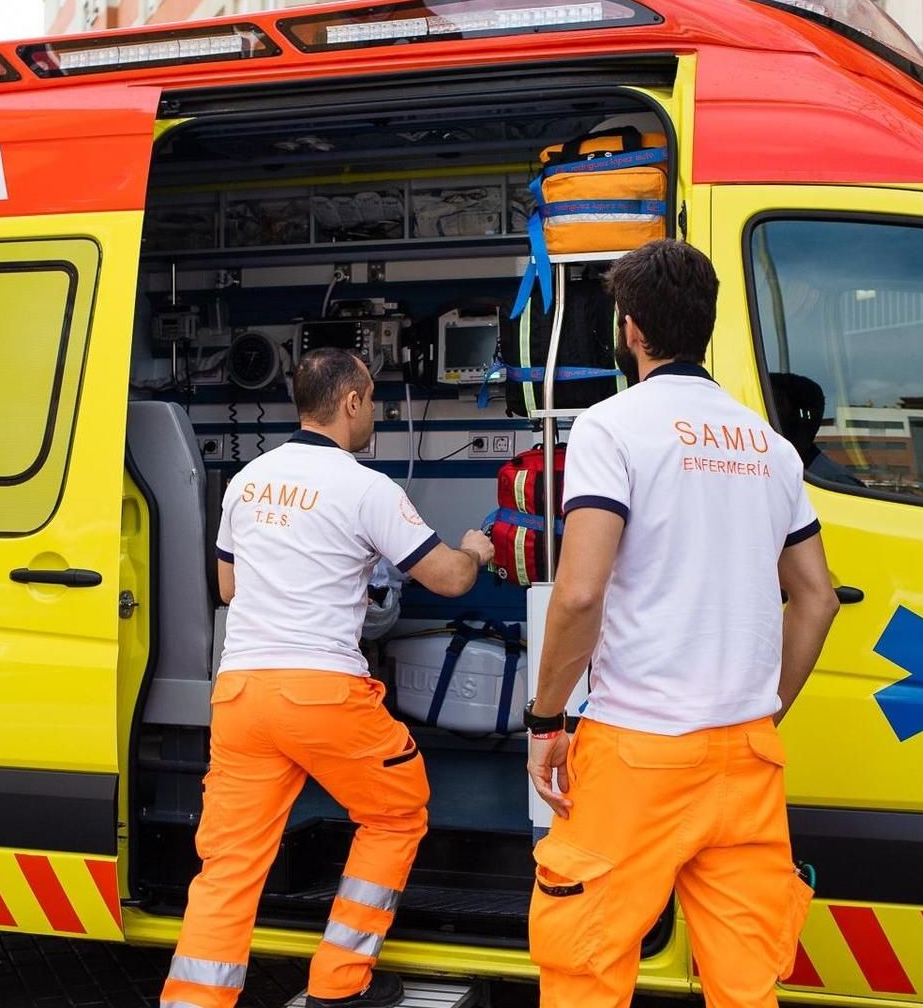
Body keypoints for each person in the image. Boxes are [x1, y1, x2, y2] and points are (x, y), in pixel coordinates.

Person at [523, 240, 839, 1007]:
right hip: (745, 759)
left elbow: (576, 595)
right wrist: (762, 712)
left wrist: (546, 720)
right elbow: (818, 598)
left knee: (587, 971)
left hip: (639, 754)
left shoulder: (612, 428)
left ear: (630, 328)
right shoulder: (771, 448)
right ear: (707, 323)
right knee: (745, 984)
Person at [160, 348, 498, 1008]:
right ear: (351, 402)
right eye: (370, 401)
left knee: (229, 865)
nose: (372, 412)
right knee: (397, 813)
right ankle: (339, 986)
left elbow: (229, 585)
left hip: (241, 695)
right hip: (320, 693)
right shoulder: (367, 488)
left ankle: (192, 1001)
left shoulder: (249, 481)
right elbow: (450, 579)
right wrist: (476, 551)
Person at [767, 371, 864, 487]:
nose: (763, 416)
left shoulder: (836, 484)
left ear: (802, 416)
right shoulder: (777, 472)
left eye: (774, 405)